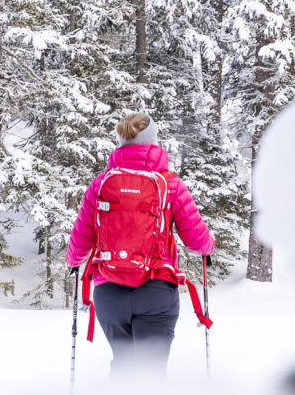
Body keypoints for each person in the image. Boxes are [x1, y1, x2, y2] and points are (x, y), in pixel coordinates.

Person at [66, 112, 215, 373]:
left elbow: (80, 241)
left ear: (121, 142)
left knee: (124, 368)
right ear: (154, 141)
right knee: (149, 376)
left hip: (109, 293)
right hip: (156, 291)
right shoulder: (171, 184)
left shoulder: (101, 184)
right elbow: (196, 240)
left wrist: (73, 261)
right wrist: (208, 247)